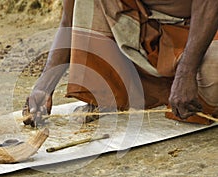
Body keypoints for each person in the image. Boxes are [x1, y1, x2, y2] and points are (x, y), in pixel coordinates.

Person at [23, 0, 218, 127]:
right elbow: (68, 21)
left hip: (201, 33)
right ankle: (108, 96)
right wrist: (43, 87)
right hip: (142, 35)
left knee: (213, 70)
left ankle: (178, 88)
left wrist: (186, 73)